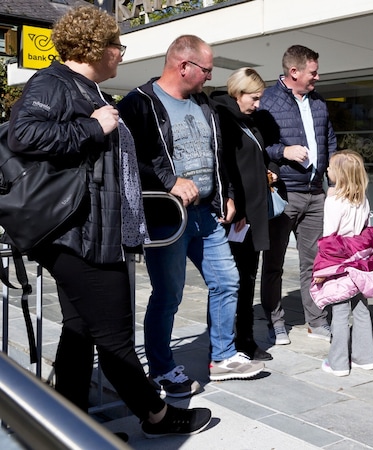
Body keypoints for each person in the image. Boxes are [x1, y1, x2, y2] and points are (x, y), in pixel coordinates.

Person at [7, 6, 211, 438]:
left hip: (91, 231)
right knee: (115, 338)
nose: (121, 53)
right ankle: (156, 416)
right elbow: (23, 135)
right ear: (97, 47)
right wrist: (92, 128)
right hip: (79, 233)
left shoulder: (88, 89)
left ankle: (68, 426)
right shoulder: (55, 82)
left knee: (80, 331)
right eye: (118, 45)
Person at [118, 35, 264, 398]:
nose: (210, 77)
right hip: (167, 218)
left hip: (206, 216)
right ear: (183, 66)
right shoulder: (139, 103)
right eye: (206, 70)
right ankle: (163, 368)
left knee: (228, 281)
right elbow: (126, 163)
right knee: (169, 295)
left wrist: (227, 193)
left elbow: (219, 155)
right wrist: (168, 182)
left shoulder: (205, 103)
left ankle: (224, 356)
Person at [258, 45, 337, 344]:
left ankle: (316, 320)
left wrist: (331, 168)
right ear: (294, 72)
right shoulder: (267, 100)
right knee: (274, 262)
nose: (317, 77)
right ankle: (275, 321)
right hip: (285, 193)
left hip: (315, 193)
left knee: (315, 263)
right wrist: (284, 151)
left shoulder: (318, 102)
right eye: (313, 72)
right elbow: (258, 142)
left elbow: (329, 138)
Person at [210, 68, 274, 361]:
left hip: (252, 214)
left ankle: (245, 339)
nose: (258, 104)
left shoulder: (248, 122)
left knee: (247, 278)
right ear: (238, 93)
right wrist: (233, 200)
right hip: (237, 215)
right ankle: (226, 343)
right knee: (229, 281)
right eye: (255, 97)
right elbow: (224, 165)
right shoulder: (221, 118)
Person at [310, 150, 373, 376]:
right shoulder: (362, 199)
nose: (327, 170)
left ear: (340, 174)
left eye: (331, 167)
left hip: (340, 266)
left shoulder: (333, 201)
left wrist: (321, 271)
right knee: (361, 309)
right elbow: (366, 229)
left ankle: (338, 363)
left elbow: (328, 239)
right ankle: (365, 358)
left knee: (340, 312)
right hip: (360, 265)